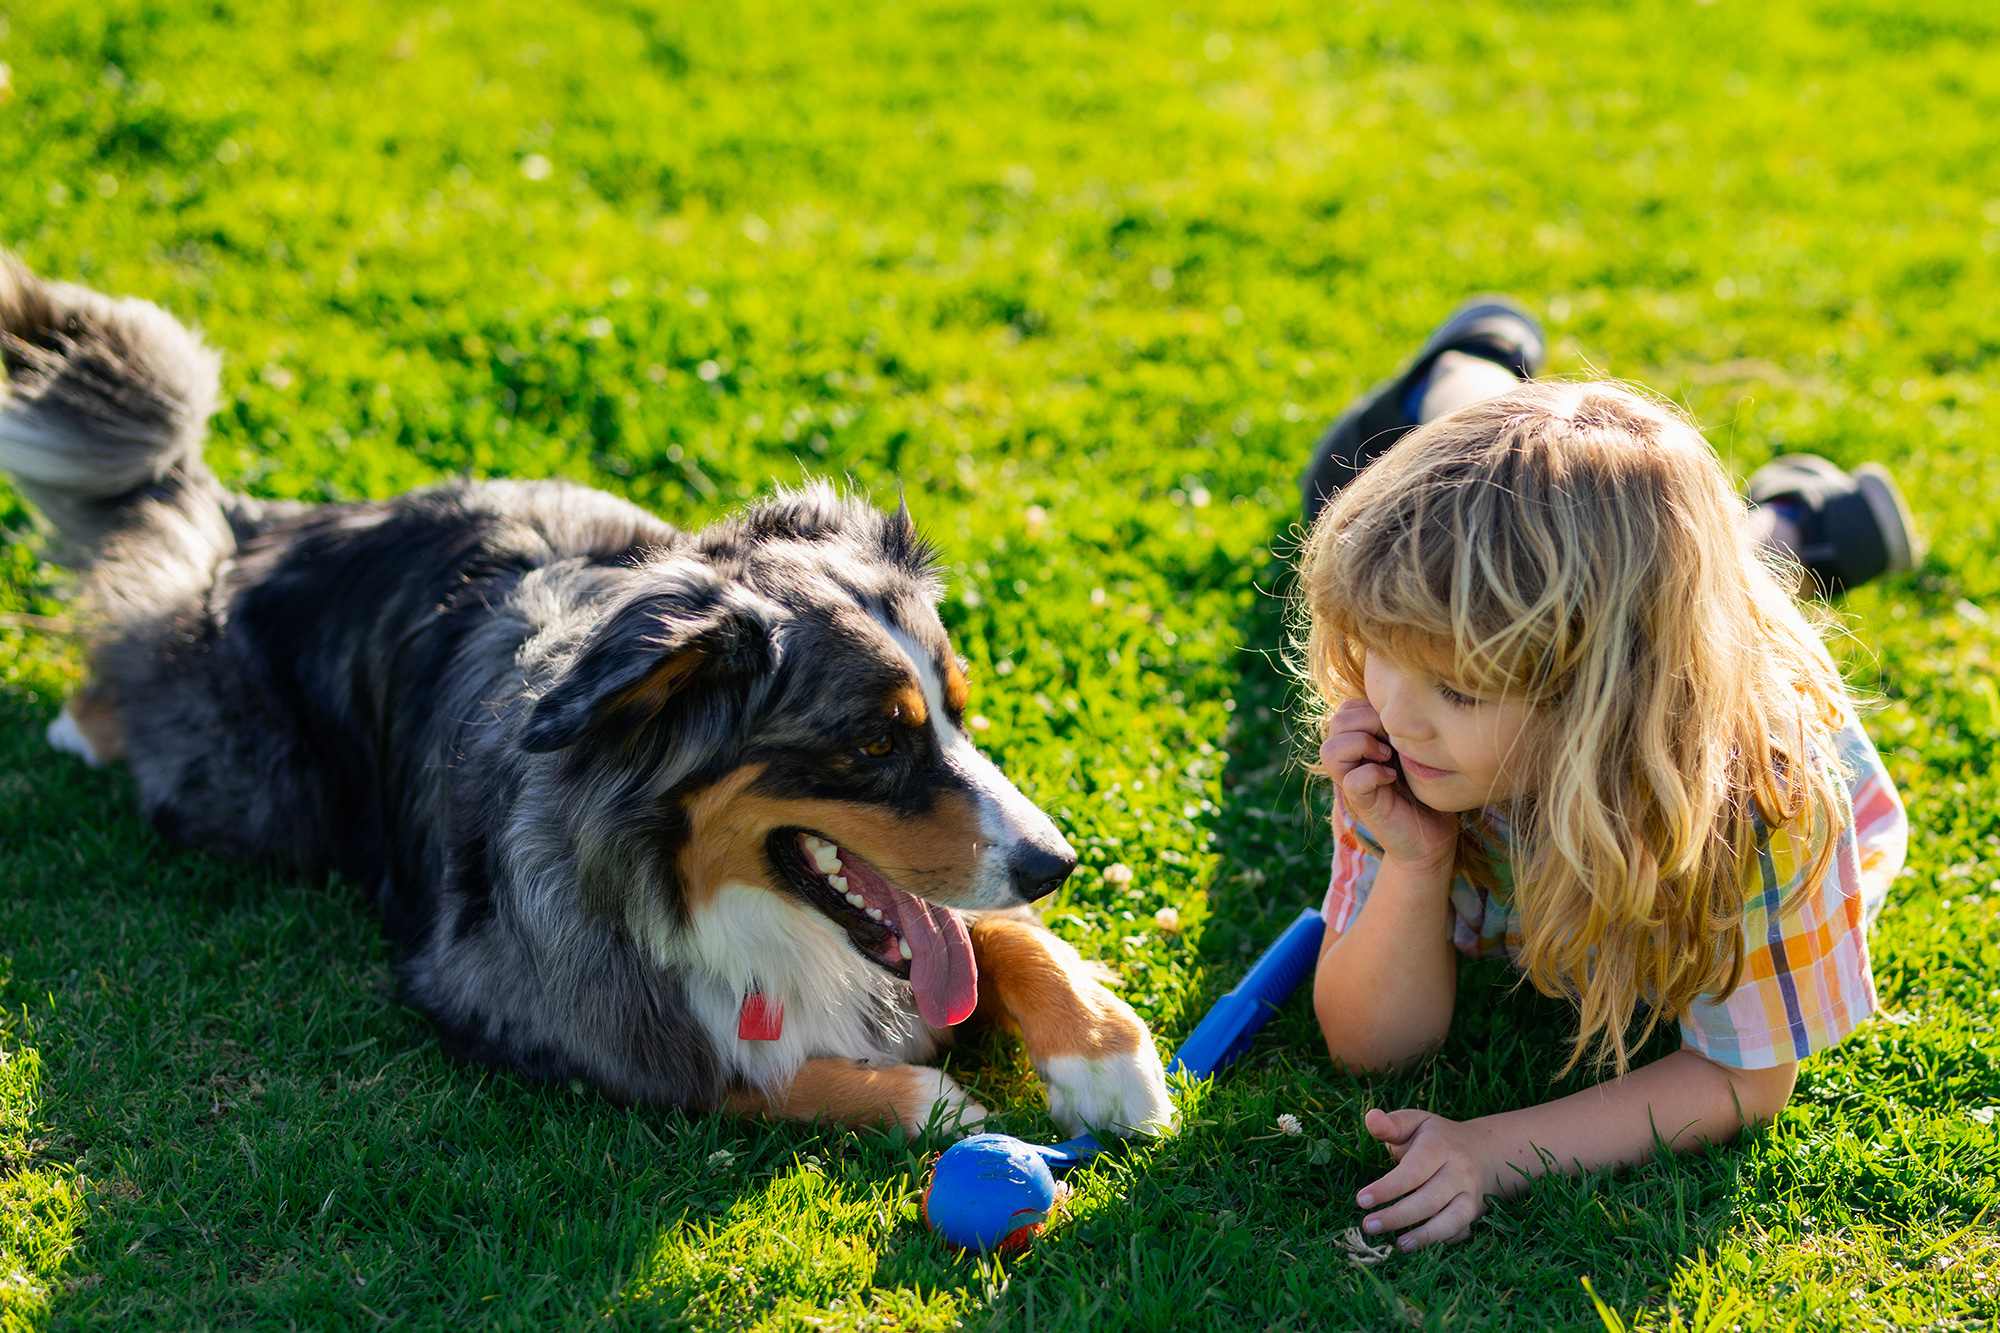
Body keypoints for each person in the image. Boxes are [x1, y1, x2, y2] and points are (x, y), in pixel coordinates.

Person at [1294, 353, 1909, 1252]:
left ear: (1602, 704)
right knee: (1656, 559)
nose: (1397, 714)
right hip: (1627, 637)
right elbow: (1369, 1049)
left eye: (1460, 692)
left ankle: (1789, 529)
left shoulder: (1765, 801)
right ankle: (1480, 370)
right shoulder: (1402, 738)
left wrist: (1495, 1148)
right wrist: (1414, 863)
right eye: (1386, 652)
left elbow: (1745, 1075)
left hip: (1698, 711)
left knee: (1710, 580)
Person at [1301, 298, 1921, 598]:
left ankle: (1473, 363)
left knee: (1508, 496)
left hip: (1378, 514)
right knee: (1654, 600)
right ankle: (1796, 532)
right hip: (1379, 519)